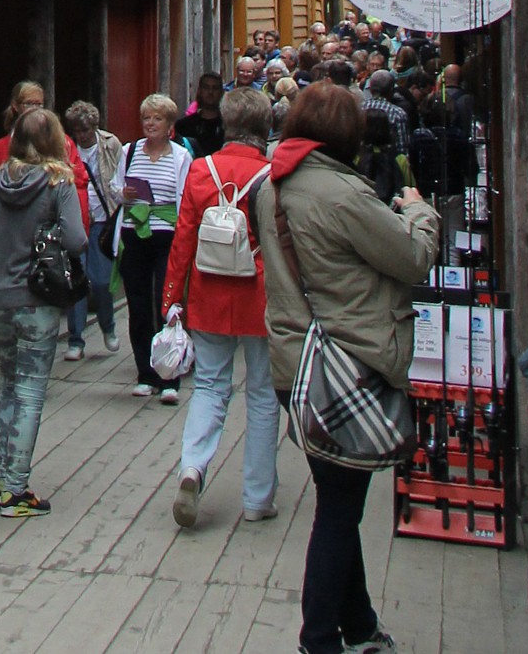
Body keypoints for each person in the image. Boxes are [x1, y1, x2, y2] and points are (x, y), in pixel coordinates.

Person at [253, 82, 440, 654]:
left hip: (296, 364)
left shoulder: (271, 185)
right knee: (339, 507)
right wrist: (420, 212)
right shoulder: (342, 194)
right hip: (348, 361)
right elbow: (412, 259)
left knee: (339, 494)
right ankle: (318, 638)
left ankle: (358, 626)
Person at [160, 88, 280, 528]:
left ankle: (192, 467)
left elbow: (184, 239)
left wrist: (172, 297)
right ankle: (257, 498)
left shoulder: (200, 171)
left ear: (227, 125)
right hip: (259, 294)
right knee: (263, 396)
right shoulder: (273, 175)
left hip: (209, 292)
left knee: (210, 386)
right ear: (264, 129)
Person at [0, 108, 87, 518]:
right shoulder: (59, 182)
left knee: (7, 385)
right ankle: (16, 491)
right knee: (31, 391)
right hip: (36, 299)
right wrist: (49, 231)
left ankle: (6, 477)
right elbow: (77, 240)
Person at [111, 94, 193, 404]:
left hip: (167, 236)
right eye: (146, 118)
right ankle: (144, 373)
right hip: (134, 232)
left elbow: (185, 197)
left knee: (167, 305)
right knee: (138, 304)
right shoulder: (129, 151)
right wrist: (124, 192)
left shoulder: (181, 156)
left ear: (169, 125)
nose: (150, 124)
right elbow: (114, 188)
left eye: (157, 119)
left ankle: (169, 377)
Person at [62, 101, 124, 361]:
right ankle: (75, 340)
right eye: (78, 130)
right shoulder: (65, 148)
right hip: (75, 218)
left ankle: (107, 325)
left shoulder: (110, 144)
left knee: (100, 280)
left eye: (86, 130)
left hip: (102, 218)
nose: (82, 135)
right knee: (76, 280)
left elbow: (121, 177)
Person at [0, 80, 89, 229]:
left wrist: (78, 226)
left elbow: (79, 185)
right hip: (11, 230)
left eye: (39, 104)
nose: (35, 109)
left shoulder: (64, 144)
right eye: (29, 104)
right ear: (15, 106)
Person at [174, 73, 226, 158]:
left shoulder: (229, 126)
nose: (210, 92)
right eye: (206, 87)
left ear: (221, 92)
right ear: (200, 91)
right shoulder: (183, 125)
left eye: (215, 88)